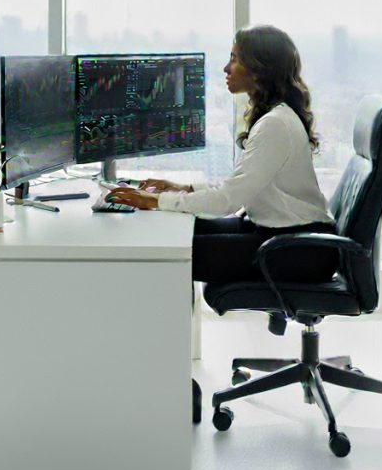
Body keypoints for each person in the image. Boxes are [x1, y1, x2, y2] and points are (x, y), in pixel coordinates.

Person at [106, 24, 338, 285]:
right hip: (282, 236)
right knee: (175, 230)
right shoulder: (276, 117)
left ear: (259, 69)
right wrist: (183, 189)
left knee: (169, 251)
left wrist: (155, 200)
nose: (226, 68)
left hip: (299, 251)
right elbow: (237, 188)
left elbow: (227, 200)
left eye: (234, 59)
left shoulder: (275, 124)